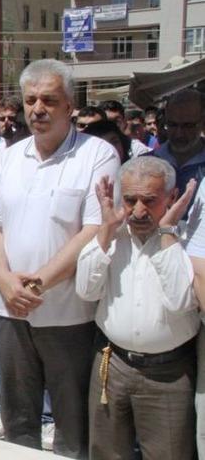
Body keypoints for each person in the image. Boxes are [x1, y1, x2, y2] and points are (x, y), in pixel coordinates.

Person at [0, 60, 120, 457]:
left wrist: (37, 282)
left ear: (70, 105)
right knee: (17, 421)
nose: (37, 109)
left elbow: (93, 230)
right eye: (30, 100)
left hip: (69, 316)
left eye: (49, 100)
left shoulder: (97, 154)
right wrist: (4, 282)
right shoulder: (8, 158)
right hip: (11, 312)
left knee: (72, 423)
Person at [77, 157, 198, 460]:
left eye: (150, 201)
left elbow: (180, 301)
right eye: (130, 200)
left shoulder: (187, 241)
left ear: (172, 197)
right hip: (112, 364)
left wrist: (167, 231)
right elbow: (86, 290)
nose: (139, 211)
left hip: (168, 374)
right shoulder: (113, 237)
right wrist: (105, 229)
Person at [150, 89, 205, 192]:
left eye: (188, 126)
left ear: (203, 122)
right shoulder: (146, 163)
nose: (179, 133)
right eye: (172, 125)